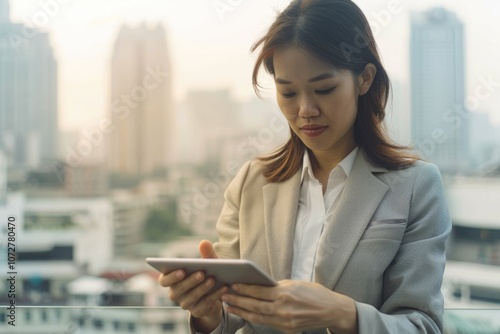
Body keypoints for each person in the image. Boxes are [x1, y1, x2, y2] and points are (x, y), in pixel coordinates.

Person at [159, 0, 451, 333]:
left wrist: (343, 314)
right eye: (288, 93)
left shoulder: (416, 187)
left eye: (323, 89)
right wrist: (207, 313)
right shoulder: (251, 182)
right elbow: (232, 319)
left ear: (364, 79)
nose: (306, 109)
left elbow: (424, 325)